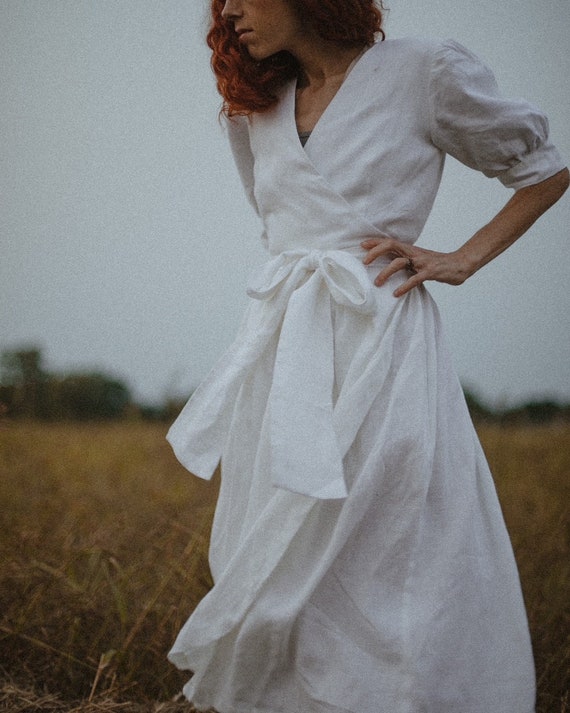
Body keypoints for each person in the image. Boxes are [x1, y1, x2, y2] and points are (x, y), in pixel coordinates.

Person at [166, 1, 569, 711]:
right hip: (286, 353)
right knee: (279, 549)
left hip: (384, 347)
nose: (227, 9)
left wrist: (463, 258)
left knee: (391, 548)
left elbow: (545, 169)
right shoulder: (251, 108)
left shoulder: (423, 70)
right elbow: (281, 231)